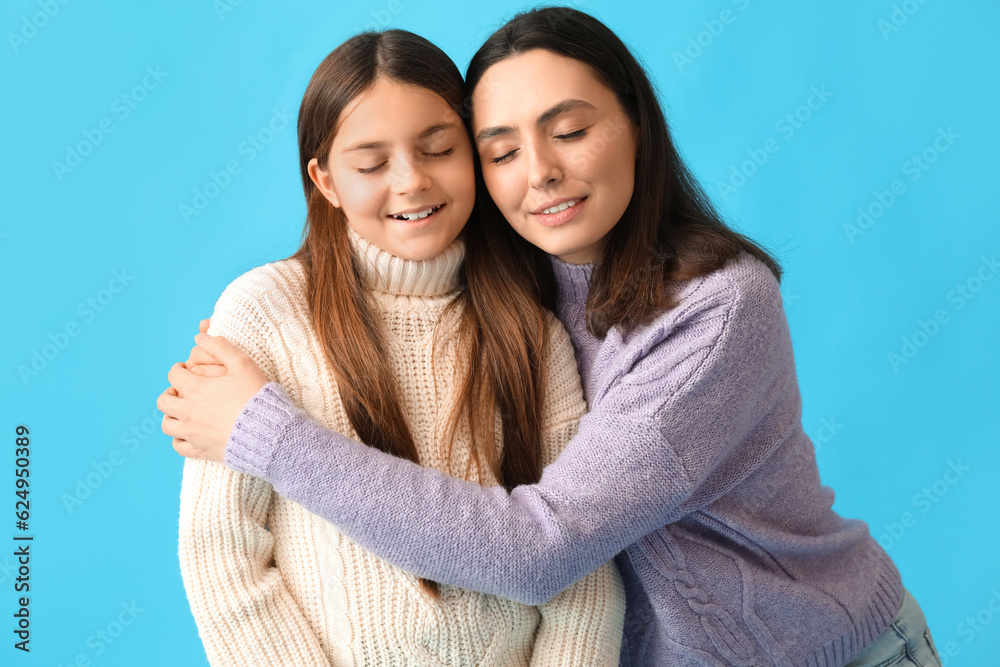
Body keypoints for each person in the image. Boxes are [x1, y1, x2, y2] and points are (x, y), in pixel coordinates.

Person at [161, 8, 942, 667]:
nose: (538, 172)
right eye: (500, 150)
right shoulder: (512, 291)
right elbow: (223, 555)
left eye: (568, 130)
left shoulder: (714, 310)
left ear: (635, 124)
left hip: (814, 651)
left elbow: (545, 546)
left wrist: (264, 432)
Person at [166, 28, 626, 666]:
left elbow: (582, 571)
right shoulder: (264, 311)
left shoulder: (528, 327)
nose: (411, 181)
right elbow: (223, 553)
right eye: (372, 164)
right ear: (325, 181)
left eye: (439, 148)